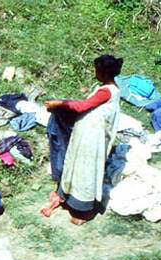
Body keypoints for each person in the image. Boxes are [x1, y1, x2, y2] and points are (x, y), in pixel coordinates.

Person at [41, 55, 123, 225]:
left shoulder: (106, 91)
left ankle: (84, 211)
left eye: (96, 69)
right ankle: (68, 197)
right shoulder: (108, 88)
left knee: (86, 171)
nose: (94, 72)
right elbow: (87, 105)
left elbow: (82, 106)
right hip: (88, 135)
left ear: (103, 73)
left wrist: (59, 104)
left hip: (93, 138)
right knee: (76, 167)